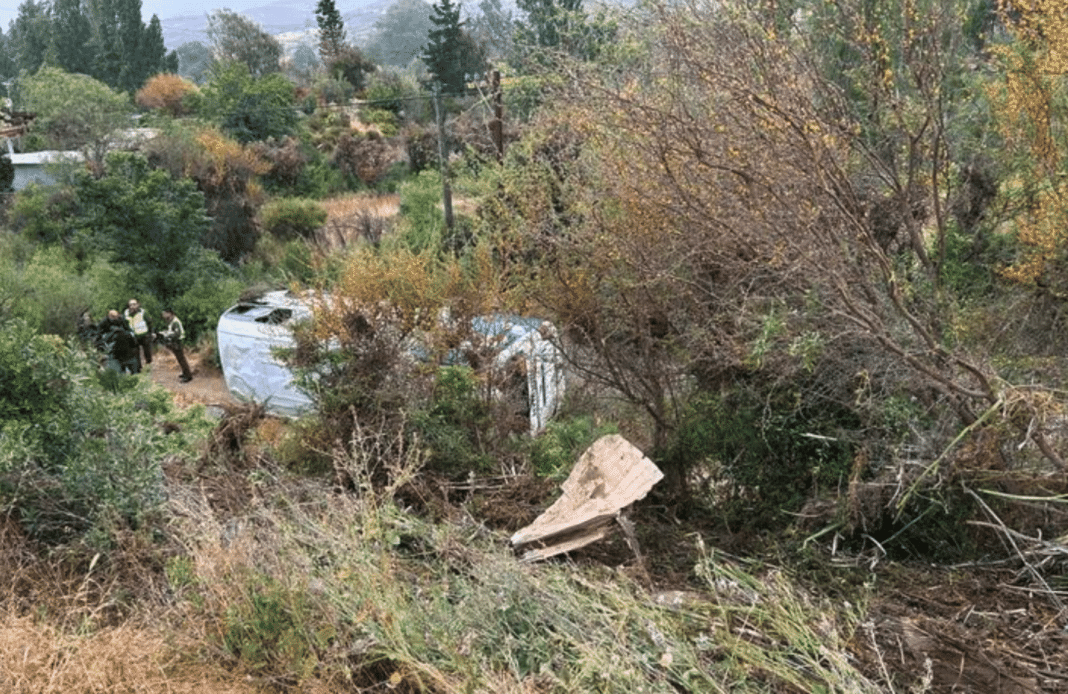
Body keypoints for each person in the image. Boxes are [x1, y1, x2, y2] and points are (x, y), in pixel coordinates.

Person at [156, 308, 193, 383]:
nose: (163, 315)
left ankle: (188, 376)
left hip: (177, 341)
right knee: (180, 358)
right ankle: (185, 372)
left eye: (164, 313)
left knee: (181, 359)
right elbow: (171, 331)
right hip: (175, 341)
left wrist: (166, 335)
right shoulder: (171, 321)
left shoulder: (175, 321)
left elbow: (177, 333)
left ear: (169, 313)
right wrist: (165, 332)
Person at [98, 309, 140, 375]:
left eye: (115, 317)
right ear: (109, 316)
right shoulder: (104, 322)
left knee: (132, 363)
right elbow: (99, 333)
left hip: (126, 346)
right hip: (113, 347)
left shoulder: (122, 320)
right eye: (112, 317)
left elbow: (129, 332)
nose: (114, 318)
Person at [124, 298, 152, 371]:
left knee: (147, 352)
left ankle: (148, 366)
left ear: (138, 305)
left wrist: (150, 333)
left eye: (134, 304)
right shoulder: (126, 313)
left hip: (144, 335)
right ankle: (138, 369)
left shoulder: (143, 312)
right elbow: (124, 324)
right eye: (131, 305)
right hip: (133, 337)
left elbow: (149, 322)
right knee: (135, 354)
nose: (132, 306)